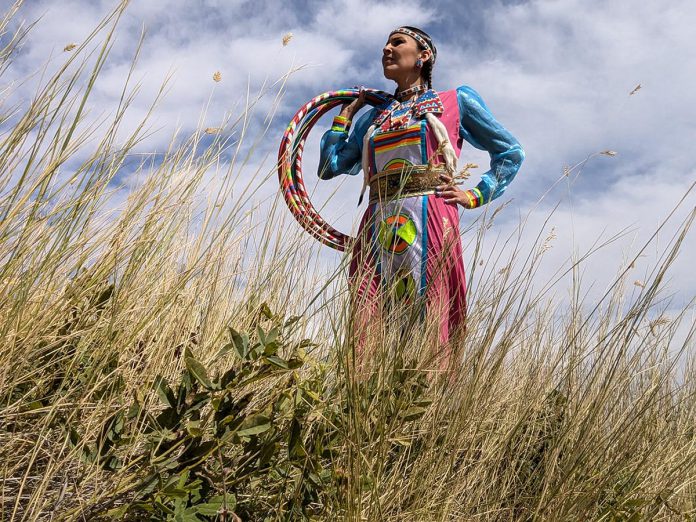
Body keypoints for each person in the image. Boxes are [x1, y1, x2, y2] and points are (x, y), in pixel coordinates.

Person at [318, 26, 524, 366]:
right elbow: (330, 166)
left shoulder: (455, 102)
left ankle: (431, 404)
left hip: (432, 216)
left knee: (432, 310)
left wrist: (474, 195)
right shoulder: (373, 117)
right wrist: (344, 117)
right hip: (377, 223)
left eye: (397, 42)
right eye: (385, 43)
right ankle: (363, 399)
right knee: (367, 315)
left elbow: (511, 152)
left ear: (423, 56)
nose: (386, 48)